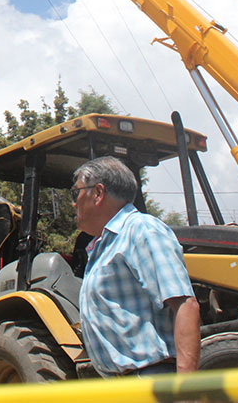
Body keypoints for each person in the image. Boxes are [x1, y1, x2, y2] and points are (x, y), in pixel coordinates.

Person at [71, 156, 201, 377]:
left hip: (150, 380)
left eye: (76, 193)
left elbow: (185, 305)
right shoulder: (104, 245)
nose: (73, 203)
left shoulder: (142, 230)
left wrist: (186, 388)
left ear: (98, 193)